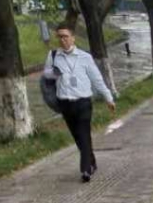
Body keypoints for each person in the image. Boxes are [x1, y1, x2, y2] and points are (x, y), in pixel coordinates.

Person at [43, 23, 116, 182]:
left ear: (73, 38)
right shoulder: (54, 55)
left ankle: (85, 169)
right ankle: (92, 162)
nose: (63, 40)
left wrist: (108, 98)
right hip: (65, 103)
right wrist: (54, 73)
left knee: (83, 134)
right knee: (78, 137)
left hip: (83, 102)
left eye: (65, 36)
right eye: (60, 37)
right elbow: (46, 74)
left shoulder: (85, 57)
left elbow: (97, 80)